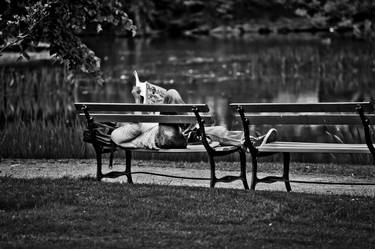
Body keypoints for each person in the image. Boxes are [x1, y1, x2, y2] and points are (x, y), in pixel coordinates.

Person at [111, 86, 277, 149]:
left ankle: (250, 141)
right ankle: (192, 125)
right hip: (163, 138)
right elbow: (139, 126)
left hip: (178, 134)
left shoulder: (139, 123)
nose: (127, 119)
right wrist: (136, 102)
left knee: (219, 131)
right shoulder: (117, 134)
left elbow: (142, 122)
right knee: (171, 93)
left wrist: (148, 101)